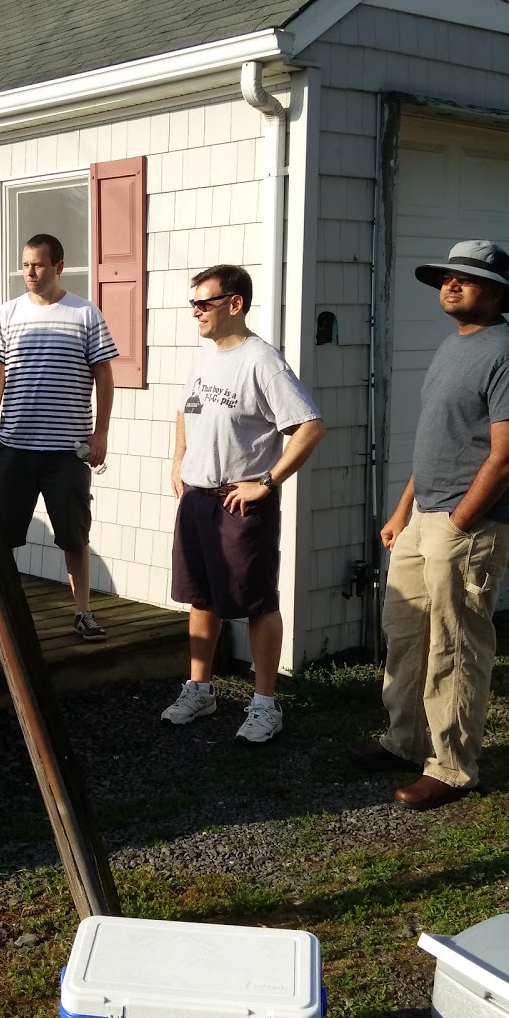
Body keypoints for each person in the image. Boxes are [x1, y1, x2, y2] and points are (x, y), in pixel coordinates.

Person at [347, 240, 509, 810]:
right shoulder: (452, 346)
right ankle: (403, 740)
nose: (450, 286)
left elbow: (504, 456)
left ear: (498, 291)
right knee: (405, 632)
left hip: (471, 527)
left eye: (467, 278)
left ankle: (452, 766)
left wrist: (459, 520)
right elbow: (438, 441)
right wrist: (405, 509)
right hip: (425, 518)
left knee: (455, 646)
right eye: (446, 277)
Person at [160, 265, 325, 744]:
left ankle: (265, 705)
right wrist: (179, 462)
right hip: (196, 497)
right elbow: (186, 410)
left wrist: (267, 482)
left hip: (238, 501)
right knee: (201, 597)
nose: (196, 312)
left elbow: (309, 426)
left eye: (204, 303)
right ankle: (200, 689)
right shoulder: (205, 355)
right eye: (192, 303)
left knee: (255, 601)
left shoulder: (262, 362)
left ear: (235, 304)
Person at [0, 233, 117, 641]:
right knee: (1, 534)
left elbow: (104, 374)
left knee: (73, 534)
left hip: (67, 450)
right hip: (14, 446)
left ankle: (82, 611)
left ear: (58, 267)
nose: (30, 272)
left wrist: (101, 432)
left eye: (38, 265)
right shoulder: (8, 313)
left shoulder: (85, 314)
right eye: (25, 264)